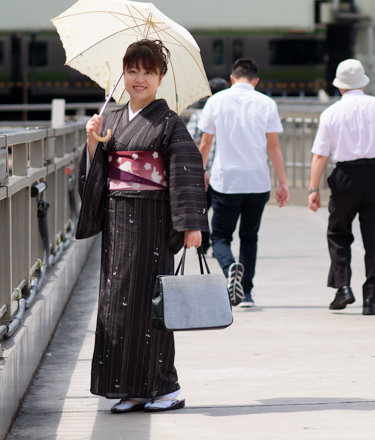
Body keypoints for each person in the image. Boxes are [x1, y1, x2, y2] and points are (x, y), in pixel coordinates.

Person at [77, 39, 208, 414]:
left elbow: (186, 170)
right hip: (118, 219)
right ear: (123, 74)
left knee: (151, 305)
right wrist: (92, 141)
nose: (139, 79)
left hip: (153, 220)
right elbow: (97, 172)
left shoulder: (169, 122)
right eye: (132, 70)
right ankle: (132, 388)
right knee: (116, 303)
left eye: (148, 72)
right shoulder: (112, 120)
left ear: (160, 78)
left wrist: (191, 226)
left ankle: (166, 388)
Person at [308, 58, 375, 316]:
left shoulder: (330, 113)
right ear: (363, 82)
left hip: (344, 177)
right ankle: (370, 300)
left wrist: (313, 189)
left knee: (338, 233)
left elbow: (319, 155)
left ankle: (342, 288)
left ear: (340, 87)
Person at [197, 58, 290, 309]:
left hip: (226, 181)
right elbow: (274, 147)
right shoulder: (267, 103)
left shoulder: (216, 101)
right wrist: (283, 183)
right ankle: (246, 293)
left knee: (220, 237)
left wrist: (200, 171)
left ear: (232, 78)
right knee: (249, 237)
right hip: (257, 182)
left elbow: (205, 144)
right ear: (256, 81)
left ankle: (229, 270)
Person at [188, 77, 229, 254]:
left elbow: (189, 141)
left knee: (202, 210)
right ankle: (221, 245)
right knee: (222, 212)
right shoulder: (229, 117)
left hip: (202, 172)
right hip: (223, 172)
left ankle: (203, 245)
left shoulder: (198, 115)